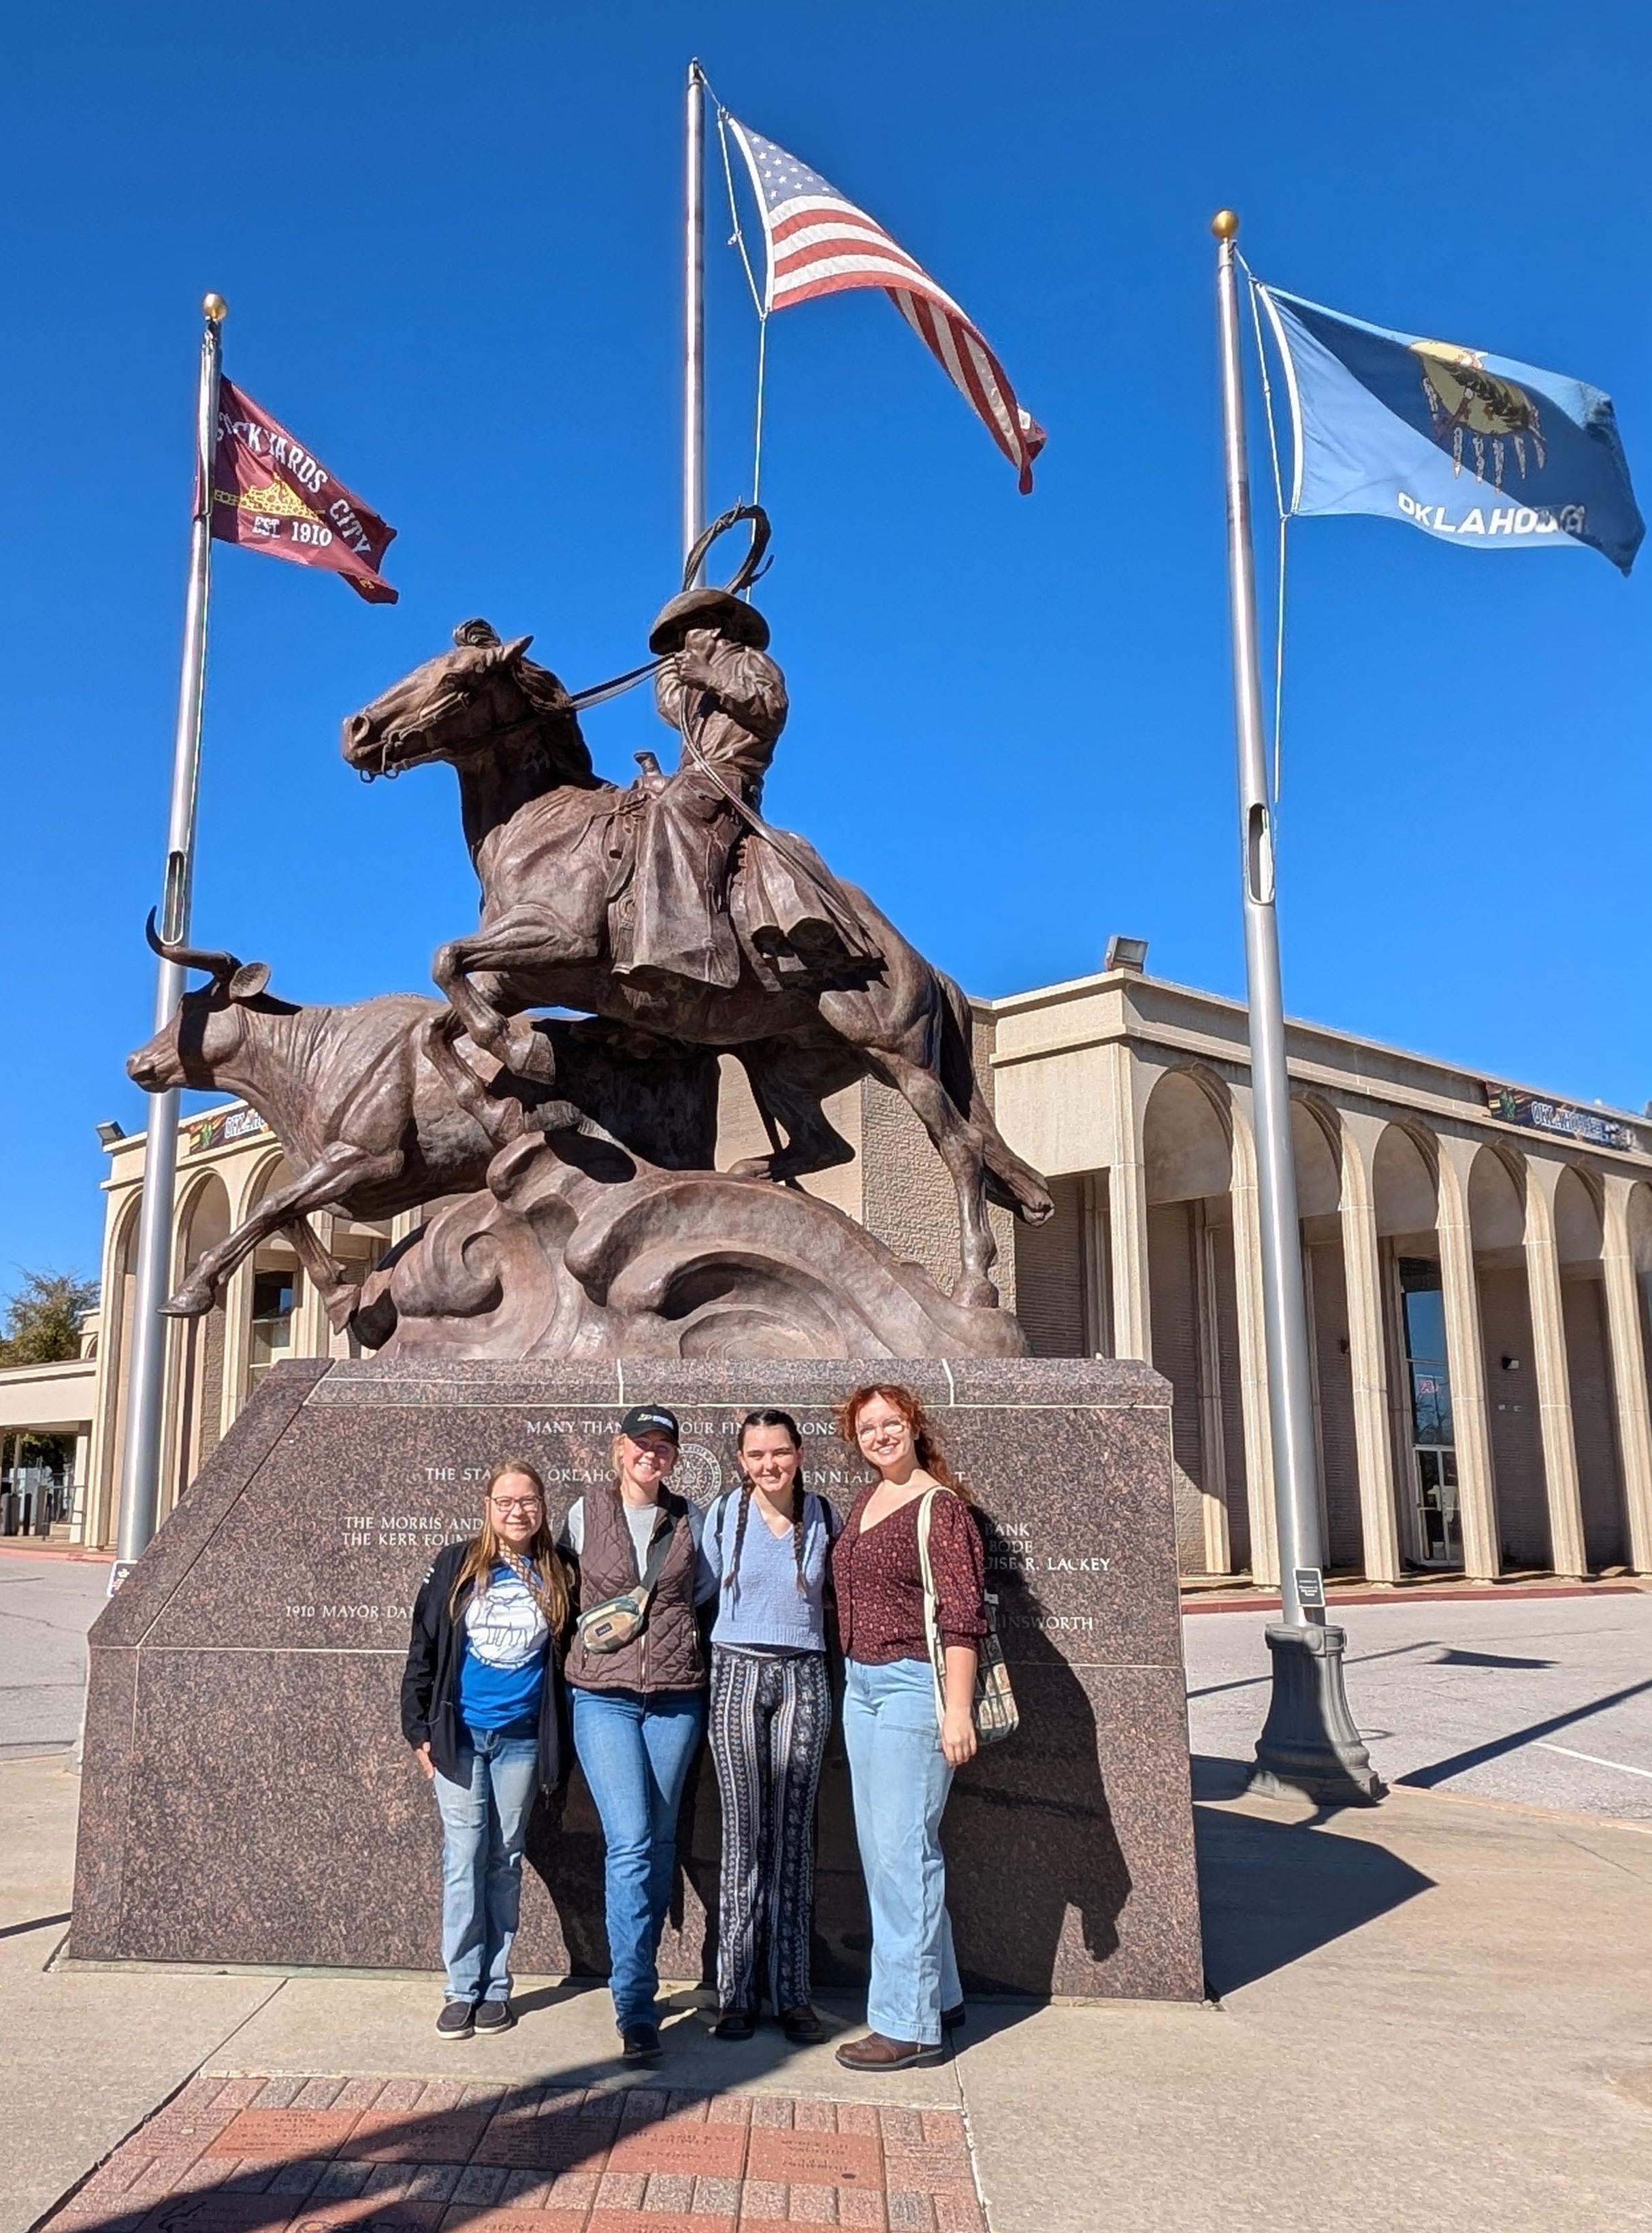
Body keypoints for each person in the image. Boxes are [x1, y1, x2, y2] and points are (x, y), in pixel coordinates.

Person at [830, 1384, 985, 2071]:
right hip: (860, 1686)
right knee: (888, 1853)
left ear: (915, 1426)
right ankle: (940, 1993)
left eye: (891, 1423)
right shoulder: (867, 1501)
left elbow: (962, 1616)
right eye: (869, 1427)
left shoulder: (941, 1509)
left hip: (913, 1689)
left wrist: (956, 1707)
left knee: (903, 1856)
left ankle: (908, 2023)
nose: (881, 1435)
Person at [614, 586, 876, 992]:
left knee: (672, 810)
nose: (682, 642)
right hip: (694, 777)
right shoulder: (698, 685)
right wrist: (669, 675)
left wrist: (710, 677)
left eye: (688, 631)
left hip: (727, 781)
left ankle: (692, 948)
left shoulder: (752, 663)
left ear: (714, 628)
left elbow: (770, 711)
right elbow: (675, 712)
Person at [560, 1403, 717, 2063]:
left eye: (663, 1444)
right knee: (628, 1842)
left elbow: (703, 1593)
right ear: (618, 1448)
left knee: (655, 1841)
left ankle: (637, 1978)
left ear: (673, 1457)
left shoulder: (691, 1519)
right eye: (641, 1442)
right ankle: (635, 2002)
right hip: (603, 1697)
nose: (651, 1453)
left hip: (676, 1697)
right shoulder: (581, 1512)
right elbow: (559, 1587)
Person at [401, 1456, 571, 2040]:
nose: (517, 1511)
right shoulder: (456, 1564)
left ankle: (496, 1986)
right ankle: (460, 1986)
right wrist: (417, 1730)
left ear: (542, 1508)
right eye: (506, 1501)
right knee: (464, 1856)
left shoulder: (558, 1570)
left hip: (521, 1738)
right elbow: (422, 1649)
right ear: (489, 1508)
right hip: (460, 1736)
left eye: (527, 1501)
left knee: (505, 1855)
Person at [702, 1409, 840, 2044]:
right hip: (735, 1673)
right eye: (756, 1454)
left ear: (799, 1452)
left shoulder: (825, 1517)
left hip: (804, 1676)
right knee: (743, 1834)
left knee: (793, 1833)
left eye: (779, 1452)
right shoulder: (723, 1516)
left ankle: (792, 1993)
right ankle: (734, 1992)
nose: (769, 1465)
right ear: (741, 1459)